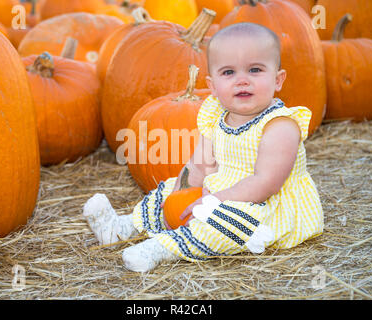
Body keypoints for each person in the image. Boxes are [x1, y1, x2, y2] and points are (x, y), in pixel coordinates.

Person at [83, 22, 324, 272]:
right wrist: (181, 192)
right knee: (167, 190)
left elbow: (266, 183)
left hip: (266, 206)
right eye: (229, 73)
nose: (242, 80)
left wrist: (215, 201)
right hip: (220, 191)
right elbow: (200, 165)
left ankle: (163, 248)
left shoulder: (280, 126)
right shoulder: (214, 115)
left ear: (278, 80)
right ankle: (122, 228)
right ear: (212, 85)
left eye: (255, 70)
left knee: (227, 224)